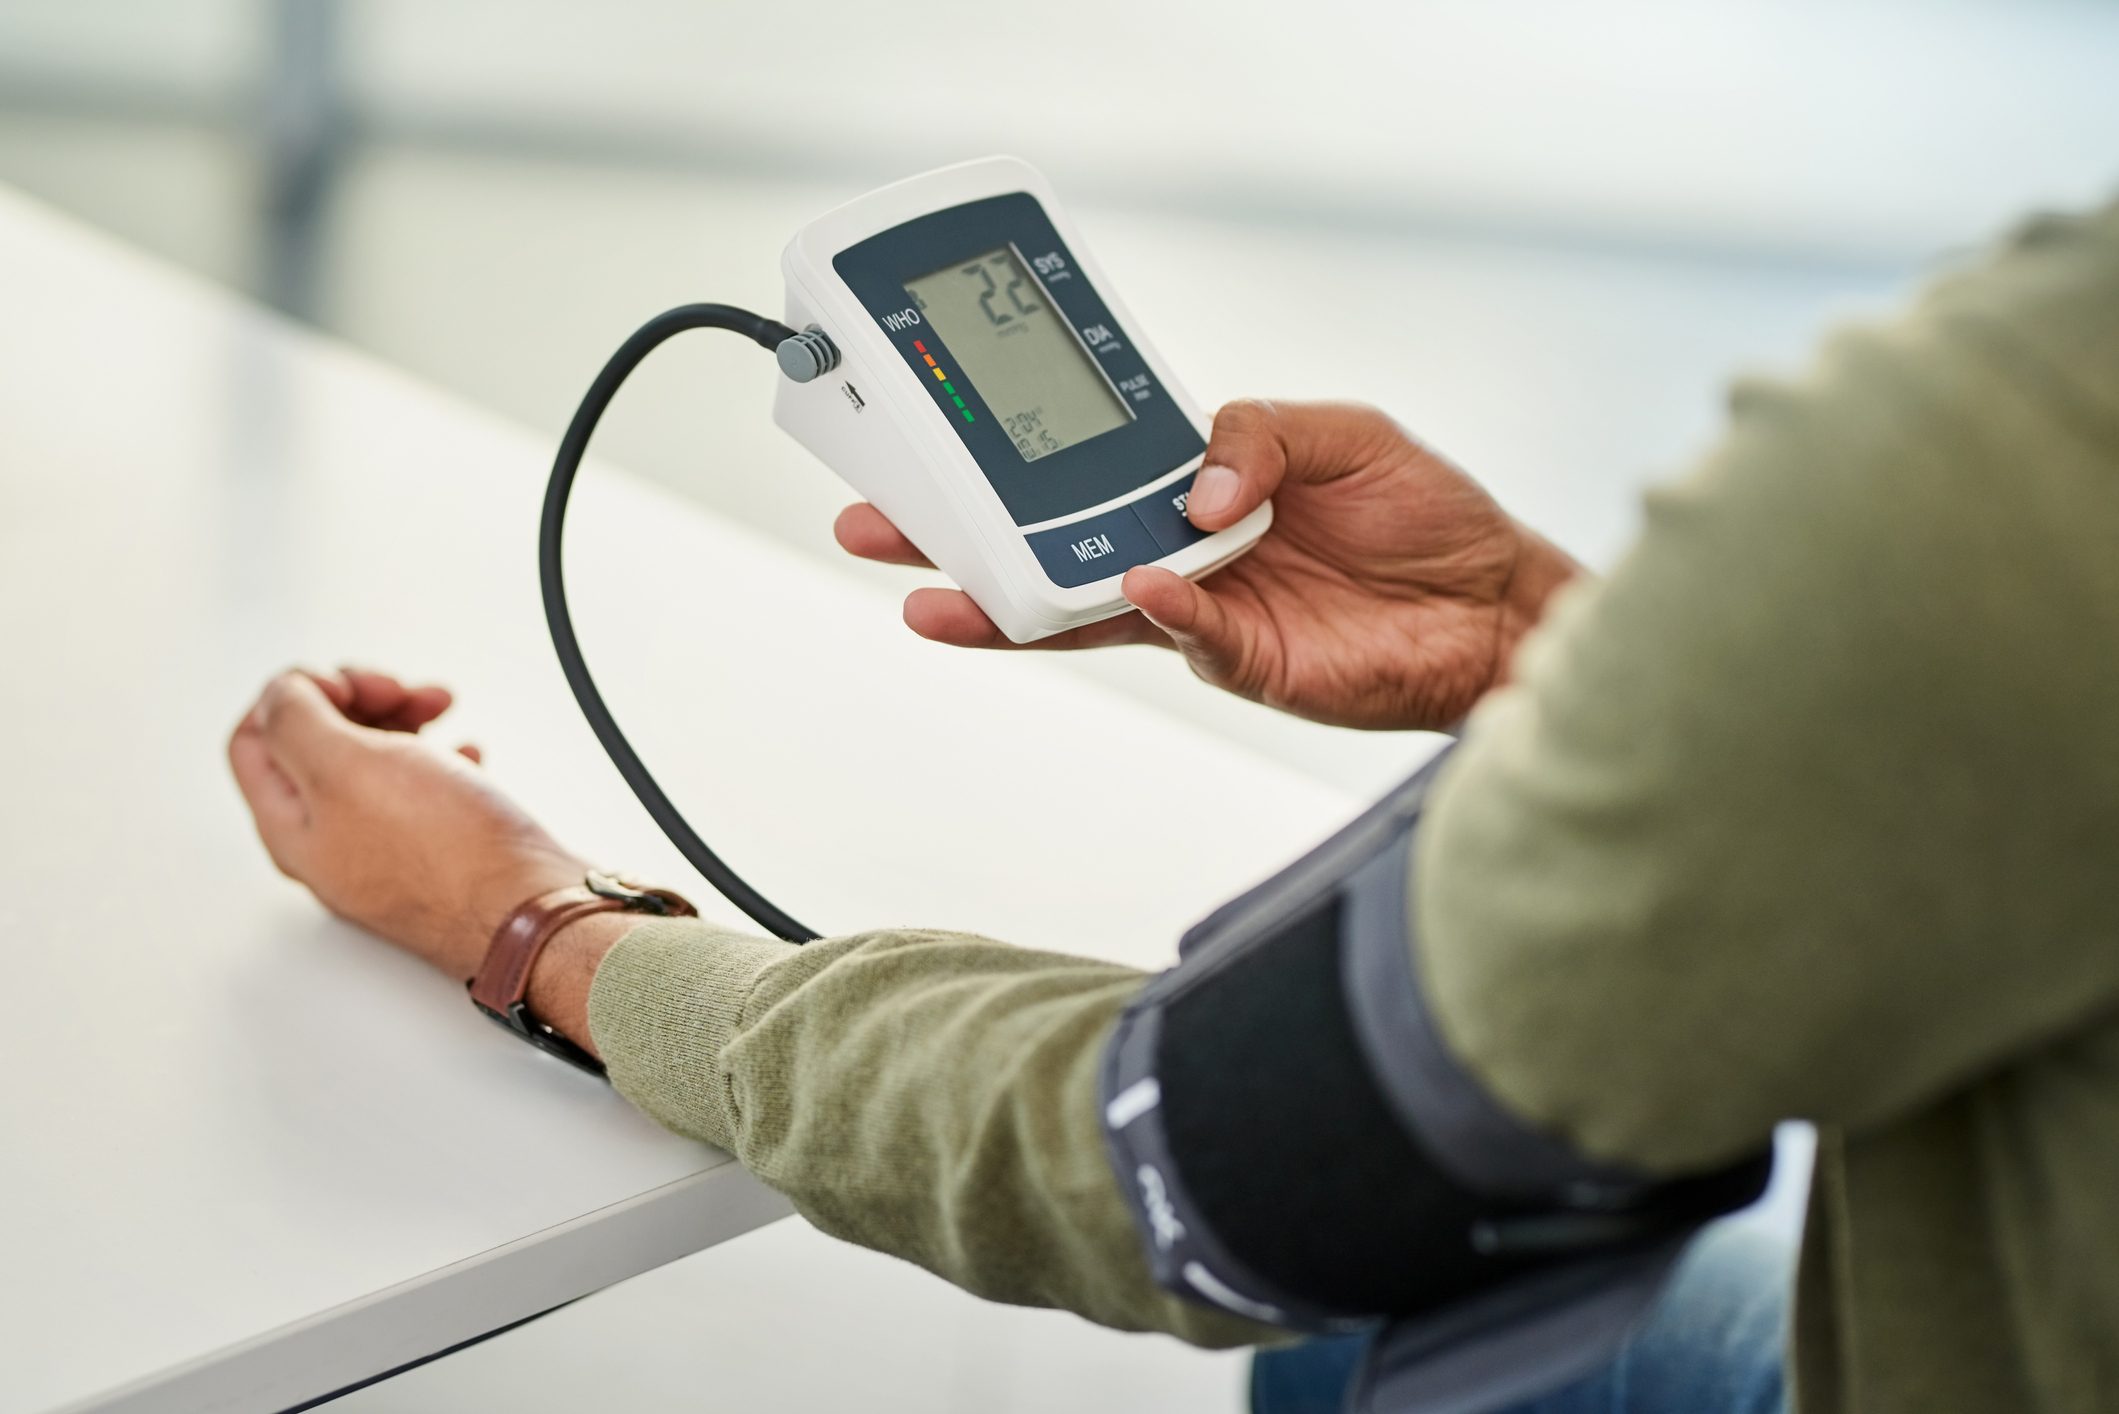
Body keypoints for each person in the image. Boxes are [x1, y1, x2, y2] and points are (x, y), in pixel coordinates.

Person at [229, 199, 2119, 1414]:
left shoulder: (2011, 448)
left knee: (1344, 1329)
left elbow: (1217, 1164)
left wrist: (534, 926)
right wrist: (1569, 660)